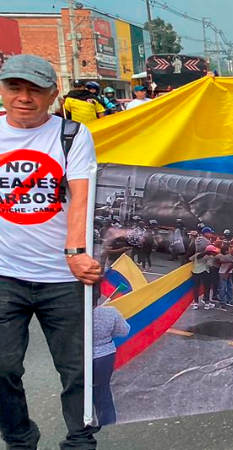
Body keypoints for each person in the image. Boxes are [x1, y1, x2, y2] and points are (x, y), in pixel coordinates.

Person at [0, 54, 103, 450]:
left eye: (35, 89)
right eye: (15, 87)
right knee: (3, 367)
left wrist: (76, 251)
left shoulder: (72, 135)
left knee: (77, 371)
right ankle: (20, 438)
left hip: (64, 277)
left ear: (52, 95)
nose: (24, 98)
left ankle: (80, 441)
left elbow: (81, 197)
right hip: (6, 274)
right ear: (3, 91)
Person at [91, 298, 129, 426]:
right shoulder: (110, 312)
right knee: (103, 390)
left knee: (77, 392)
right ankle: (107, 426)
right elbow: (124, 331)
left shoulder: (69, 313)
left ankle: (80, 427)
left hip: (77, 356)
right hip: (105, 356)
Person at [191, 244, 220, 310]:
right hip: (205, 272)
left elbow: (190, 259)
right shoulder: (209, 257)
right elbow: (209, 265)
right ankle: (206, 303)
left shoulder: (197, 255)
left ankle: (196, 303)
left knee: (196, 288)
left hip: (195, 272)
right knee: (207, 287)